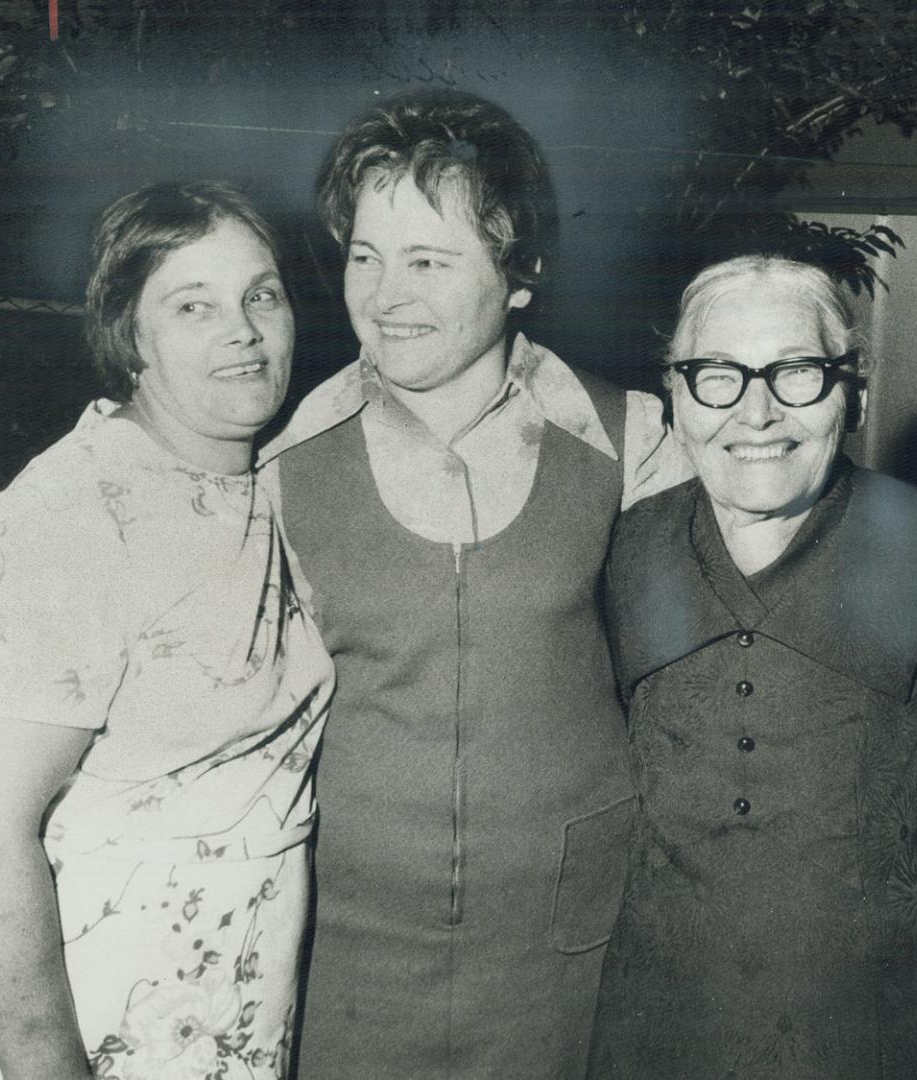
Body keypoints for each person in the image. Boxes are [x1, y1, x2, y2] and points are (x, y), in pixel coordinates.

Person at [260, 88, 685, 1078]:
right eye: (365, 256)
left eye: (429, 260)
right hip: (344, 965)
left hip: (567, 959)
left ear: (520, 273)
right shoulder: (279, 465)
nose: (386, 293)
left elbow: (725, 673)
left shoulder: (635, 443)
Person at [0, 181, 331, 1080]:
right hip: (68, 1022)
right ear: (129, 337)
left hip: (221, 1010)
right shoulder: (69, 520)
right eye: (194, 306)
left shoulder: (266, 486)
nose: (243, 330)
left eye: (260, 296)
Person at [587, 255, 917, 1079]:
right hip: (665, 1024)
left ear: (855, 398)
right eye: (716, 376)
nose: (756, 413)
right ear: (674, 396)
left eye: (797, 374)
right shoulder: (622, 550)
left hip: (880, 1029)